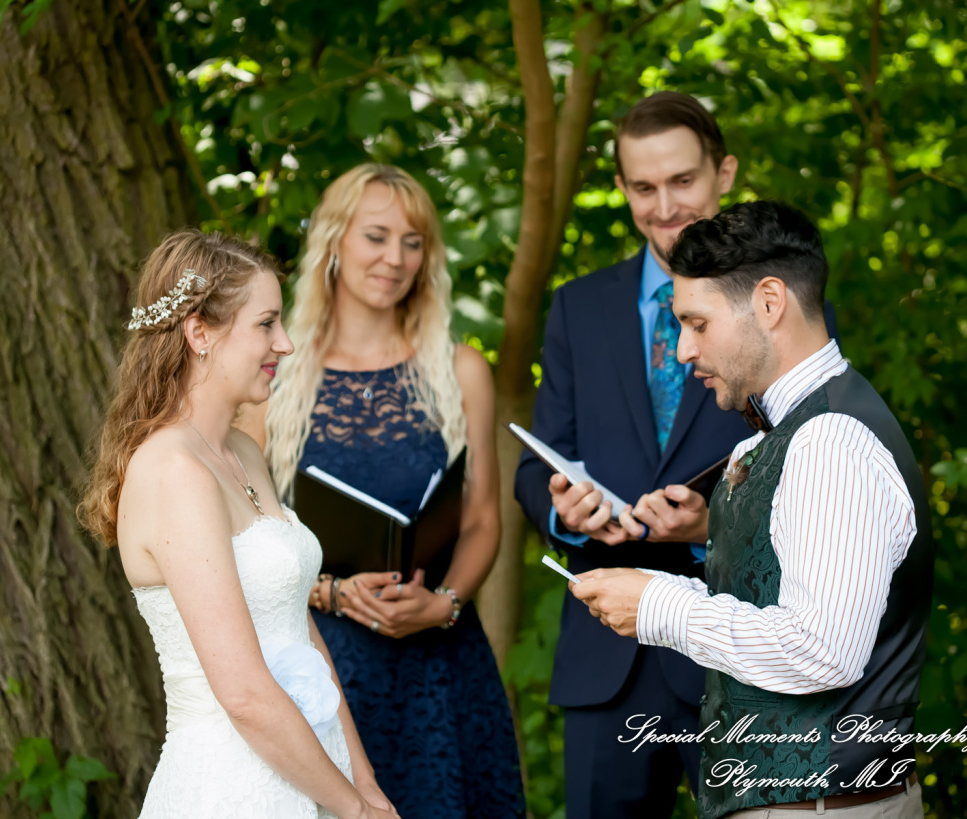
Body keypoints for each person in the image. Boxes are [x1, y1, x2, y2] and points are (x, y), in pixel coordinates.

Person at [514, 91, 838, 817]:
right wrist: (566, 510)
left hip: (741, 647)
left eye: (682, 181)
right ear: (624, 187)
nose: (664, 206)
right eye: (643, 186)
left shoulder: (780, 299)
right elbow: (538, 467)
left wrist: (714, 522)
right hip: (607, 658)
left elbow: (814, 457)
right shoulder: (578, 307)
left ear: (723, 173)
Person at [571, 200, 931, 818]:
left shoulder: (830, 440)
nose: (684, 350)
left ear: (769, 303)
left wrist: (658, 604)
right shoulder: (782, 433)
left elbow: (822, 649)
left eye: (698, 323)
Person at [78, 229, 397, 818]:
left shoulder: (243, 452)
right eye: (266, 324)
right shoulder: (172, 471)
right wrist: (354, 812)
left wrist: (365, 782)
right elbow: (245, 696)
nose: (286, 344)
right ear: (200, 332)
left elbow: (299, 627)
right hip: (233, 784)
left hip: (315, 765)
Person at [242, 163, 526, 819]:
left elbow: (483, 520)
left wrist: (445, 603)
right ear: (335, 241)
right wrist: (332, 591)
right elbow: (251, 535)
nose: (394, 258)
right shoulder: (272, 377)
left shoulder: (461, 369)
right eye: (376, 236)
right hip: (321, 661)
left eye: (413, 241)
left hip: (442, 657)